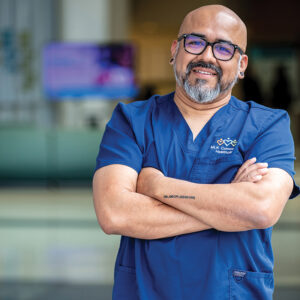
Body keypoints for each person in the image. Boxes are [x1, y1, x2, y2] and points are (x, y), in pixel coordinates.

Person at [93, 5, 299, 299]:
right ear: (175, 49)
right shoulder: (132, 121)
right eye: (195, 42)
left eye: (224, 48)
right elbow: (114, 213)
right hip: (146, 291)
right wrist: (230, 206)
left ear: (242, 65)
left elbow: (262, 208)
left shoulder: (268, 125)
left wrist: (157, 186)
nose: (207, 56)